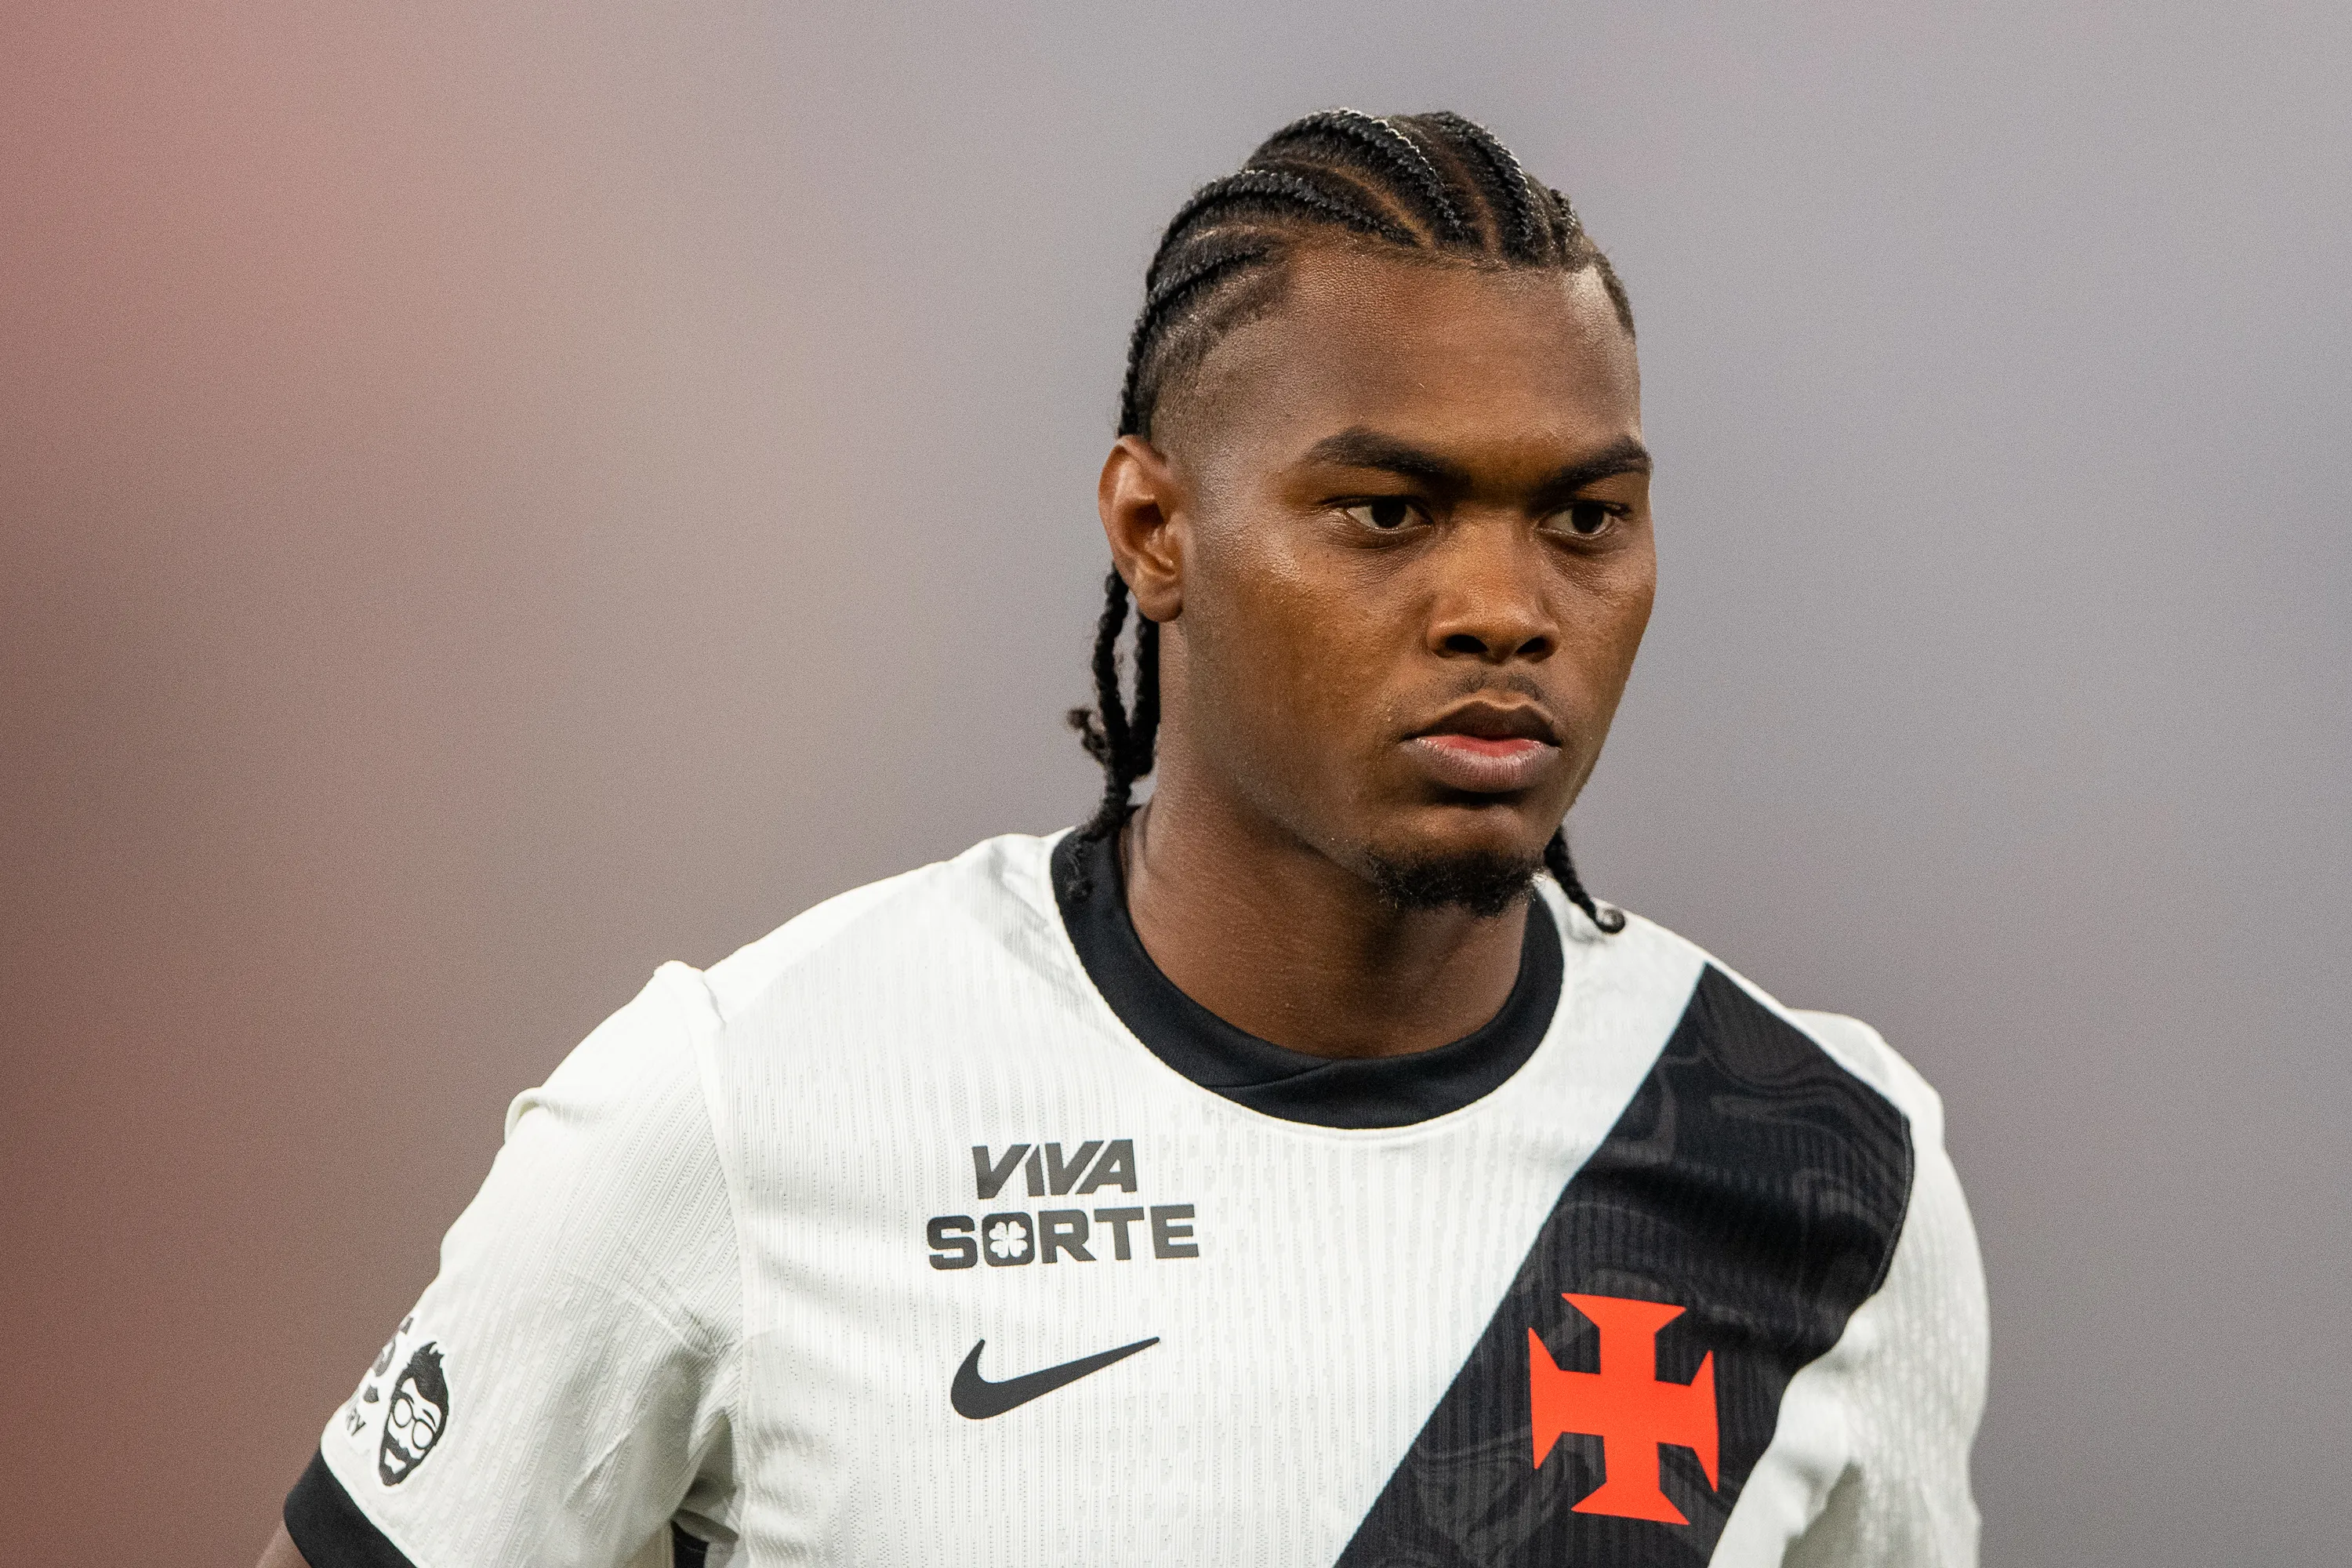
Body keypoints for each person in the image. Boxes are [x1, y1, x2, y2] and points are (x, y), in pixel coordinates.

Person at [257, 108, 1987, 1568]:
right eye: (1387, 512)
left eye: (1583, 519)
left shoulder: (1830, 1165)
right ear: (1155, 529)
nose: (1503, 608)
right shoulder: (740, 1107)